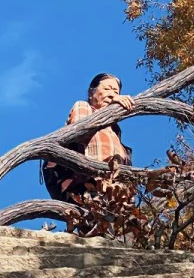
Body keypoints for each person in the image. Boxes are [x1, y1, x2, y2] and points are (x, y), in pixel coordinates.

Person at [43, 72, 134, 201]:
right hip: (87, 187)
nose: (112, 94)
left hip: (113, 194)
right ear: (91, 93)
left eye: (116, 92)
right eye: (107, 89)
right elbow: (81, 133)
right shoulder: (84, 106)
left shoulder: (114, 129)